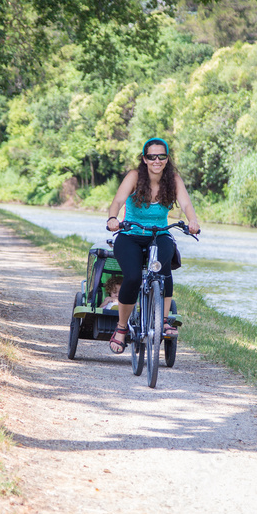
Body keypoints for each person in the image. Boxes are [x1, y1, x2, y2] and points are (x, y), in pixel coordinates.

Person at [106, 137, 201, 354]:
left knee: (164, 269)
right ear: (144, 159)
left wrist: (193, 221)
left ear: (167, 159)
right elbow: (118, 201)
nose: (156, 160)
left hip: (160, 234)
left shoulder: (173, 180)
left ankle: (164, 320)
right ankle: (121, 328)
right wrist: (112, 218)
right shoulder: (134, 177)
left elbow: (186, 203)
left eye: (161, 156)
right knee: (132, 277)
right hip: (130, 233)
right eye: (151, 156)